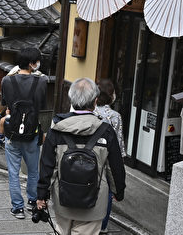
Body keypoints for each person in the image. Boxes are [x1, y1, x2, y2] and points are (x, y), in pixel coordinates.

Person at [37, 78, 126, 234]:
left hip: (62, 199)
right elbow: (115, 167)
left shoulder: (57, 129)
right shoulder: (105, 131)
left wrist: (41, 195)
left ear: (72, 99)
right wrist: (119, 190)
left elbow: (47, 166)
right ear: (95, 101)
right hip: (95, 200)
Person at [0, 47, 48, 219]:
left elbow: (5, 102)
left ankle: (17, 208)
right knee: (33, 171)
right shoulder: (41, 81)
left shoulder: (6, 80)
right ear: (33, 64)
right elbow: (42, 105)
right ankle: (32, 201)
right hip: (32, 132)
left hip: (12, 131)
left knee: (13, 172)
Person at [93, 79, 126, 234]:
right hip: (107, 159)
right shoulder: (115, 116)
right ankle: (102, 226)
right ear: (112, 95)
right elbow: (118, 147)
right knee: (106, 191)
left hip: (89, 156)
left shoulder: (89, 111)